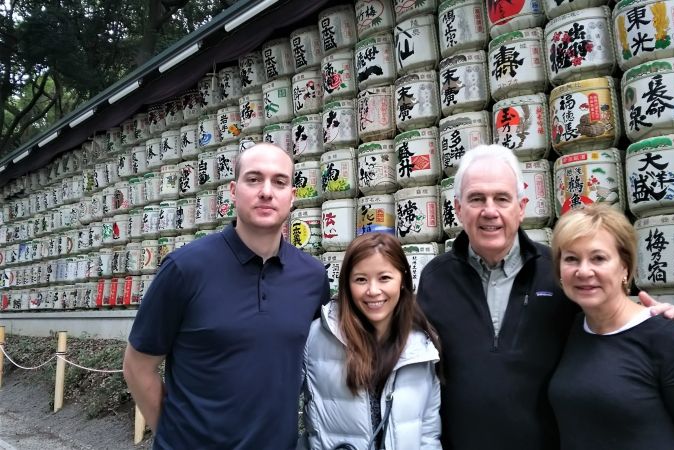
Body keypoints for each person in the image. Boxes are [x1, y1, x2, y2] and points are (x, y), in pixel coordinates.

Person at [415, 144, 674, 449]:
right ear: (458, 208)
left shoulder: (559, 273)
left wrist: (657, 328)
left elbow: (607, 327)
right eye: (477, 198)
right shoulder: (435, 278)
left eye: (502, 199)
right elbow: (412, 355)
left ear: (521, 207)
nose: (489, 211)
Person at [123, 143, 329, 449]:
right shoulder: (185, 268)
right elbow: (137, 366)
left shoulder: (312, 277)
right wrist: (172, 436)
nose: (266, 191)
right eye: (254, 179)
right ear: (233, 190)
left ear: (292, 196)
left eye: (280, 182)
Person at [548, 205, 674, 449]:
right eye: (571, 258)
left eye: (598, 258)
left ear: (625, 266)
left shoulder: (666, 338)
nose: (583, 271)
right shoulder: (570, 330)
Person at [298, 232, 442, 450]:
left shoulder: (421, 346)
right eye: (361, 280)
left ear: (402, 279)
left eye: (384, 278)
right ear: (346, 283)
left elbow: (429, 433)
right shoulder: (316, 338)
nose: (373, 291)